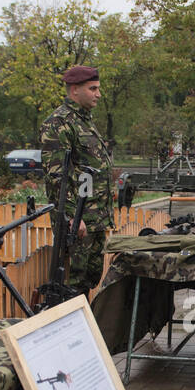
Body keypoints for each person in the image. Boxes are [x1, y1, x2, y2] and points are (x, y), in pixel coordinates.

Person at [40, 65, 114, 294]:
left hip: (95, 219)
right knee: (72, 285)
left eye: (98, 89)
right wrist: (72, 216)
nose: (98, 94)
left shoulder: (84, 120)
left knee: (89, 280)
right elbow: (57, 177)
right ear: (75, 90)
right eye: (92, 89)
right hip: (78, 223)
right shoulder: (58, 123)